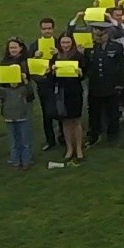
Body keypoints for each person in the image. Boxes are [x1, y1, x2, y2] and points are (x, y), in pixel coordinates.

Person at [0, 38, 38, 170]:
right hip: (9, 99)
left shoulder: (26, 62)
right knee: (13, 136)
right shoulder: (4, 63)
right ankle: (15, 160)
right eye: (11, 48)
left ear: (21, 48)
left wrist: (25, 80)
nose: (13, 50)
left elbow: (31, 84)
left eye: (15, 47)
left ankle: (26, 159)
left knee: (24, 133)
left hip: (23, 98)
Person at [86, 23, 124, 146]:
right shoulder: (89, 48)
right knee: (94, 112)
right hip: (95, 85)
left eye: (102, 35)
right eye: (97, 35)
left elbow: (122, 66)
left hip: (111, 85)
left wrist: (121, 84)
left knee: (112, 112)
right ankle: (94, 133)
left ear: (107, 34)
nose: (99, 38)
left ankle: (113, 134)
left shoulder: (116, 47)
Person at [51, 33, 88, 164]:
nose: (65, 45)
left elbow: (85, 73)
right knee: (65, 121)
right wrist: (53, 71)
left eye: (68, 42)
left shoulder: (78, 56)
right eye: (63, 43)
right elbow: (51, 78)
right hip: (62, 92)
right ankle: (69, 148)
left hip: (75, 91)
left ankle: (79, 148)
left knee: (76, 120)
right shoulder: (56, 57)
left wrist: (80, 73)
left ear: (72, 43)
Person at [34, 17, 62, 151]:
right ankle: (50, 140)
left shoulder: (59, 43)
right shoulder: (35, 45)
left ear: (53, 29)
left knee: (61, 110)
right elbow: (29, 65)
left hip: (58, 82)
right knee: (46, 114)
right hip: (43, 84)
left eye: (49, 28)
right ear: (40, 30)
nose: (47, 31)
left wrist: (59, 53)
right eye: (44, 29)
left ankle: (63, 137)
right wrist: (35, 57)